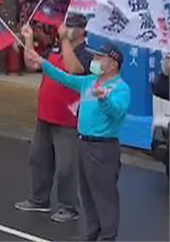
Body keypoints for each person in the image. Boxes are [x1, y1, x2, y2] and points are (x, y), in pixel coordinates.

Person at [24, 40, 130, 241]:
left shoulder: (120, 88)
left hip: (103, 147)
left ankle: (108, 236)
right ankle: (91, 232)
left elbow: (118, 113)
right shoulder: (89, 81)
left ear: (113, 64)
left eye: (100, 57)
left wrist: (104, 99)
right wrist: (43, 63)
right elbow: (63, 78)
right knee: (87, 192)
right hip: (83, 142)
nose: (94, 60)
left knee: (104, 194)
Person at [15, 13, 92, 223]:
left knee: (66, 166)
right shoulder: (56, 48)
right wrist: (28, 39)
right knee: (38, 158)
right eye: (67, 26)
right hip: (45, 114)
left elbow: (73, 70)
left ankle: (69, 206)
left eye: (72, 27)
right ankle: (39, 199)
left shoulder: (86, 53)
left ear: (82, 30)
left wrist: (65, 40)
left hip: (68, 119)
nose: (67, 29)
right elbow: (33, 64)